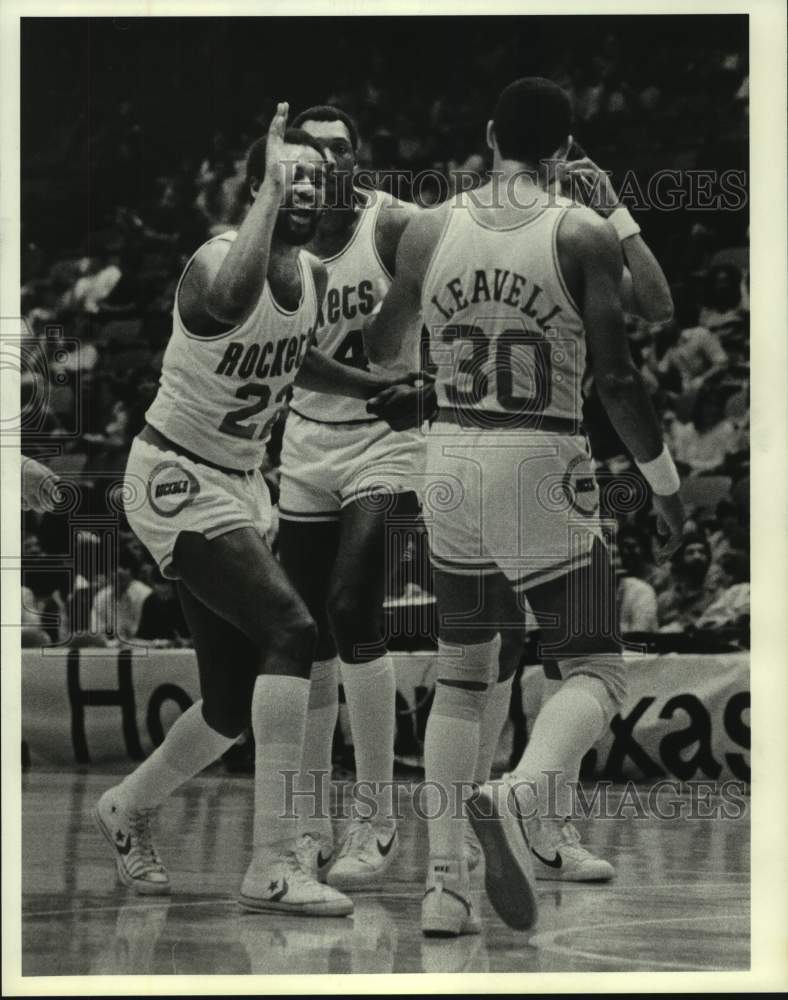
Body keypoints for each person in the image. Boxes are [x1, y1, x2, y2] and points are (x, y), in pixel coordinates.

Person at [365, 77, 684, 936]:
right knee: (597, 665)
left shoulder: (431, 226)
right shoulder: (577, 229)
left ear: (490, 132)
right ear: (564, 149)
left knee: (465, 676)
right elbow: (618, 376)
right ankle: (515, 798)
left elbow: (383, 346)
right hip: (539, 453)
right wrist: (662, 481)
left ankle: (443, 889)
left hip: (448, 455)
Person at [92, 104, 413, 917]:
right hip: (174, 477)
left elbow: (299, 358)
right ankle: (273, 861)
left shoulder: (305, 278)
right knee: (295, 629)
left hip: (239, 485)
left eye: (312, 180)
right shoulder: (213, 265)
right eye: (287, 179)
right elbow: (233, 304)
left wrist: (377, 389)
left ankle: (126, 807)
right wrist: (269, 195)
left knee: (231, 705)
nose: (305, 190)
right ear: (259, 188)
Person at [275, 105, 423, 889]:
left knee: (351, 604)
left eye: (343, 147)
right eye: (315, 149)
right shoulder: (278, 242)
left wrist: (430, 383)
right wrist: (374, 381)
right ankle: (307, 824)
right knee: (301, 634)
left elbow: (461, 287)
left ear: (358, 158)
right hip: (305, 442)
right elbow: (289, 358)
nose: (330, 160)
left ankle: (377, 817)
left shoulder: (395, 226)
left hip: (388, 441)